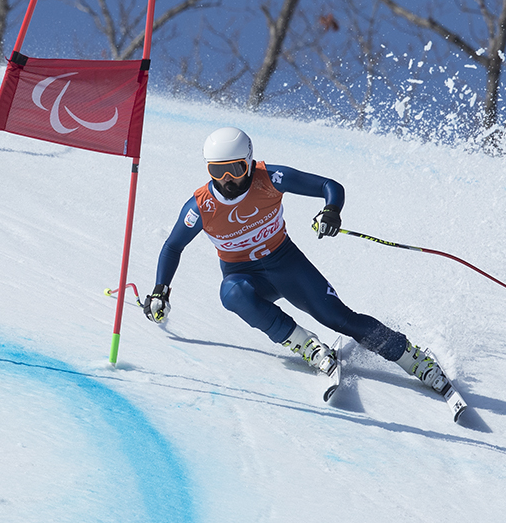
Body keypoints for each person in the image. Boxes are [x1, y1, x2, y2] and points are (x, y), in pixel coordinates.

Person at [144, 126, 451, 396]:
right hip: (248, 278)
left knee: (339, 318)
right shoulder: (201, 207)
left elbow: (329, 186)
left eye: (235, 169)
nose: (227, 181)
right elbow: (172, 247)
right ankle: (306, 345)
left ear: (248, 163)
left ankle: (413, 358)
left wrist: (331, 210)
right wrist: (161, 290)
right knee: (231, 292)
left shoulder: (270, 177)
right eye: (217, 171)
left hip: (287, 265)